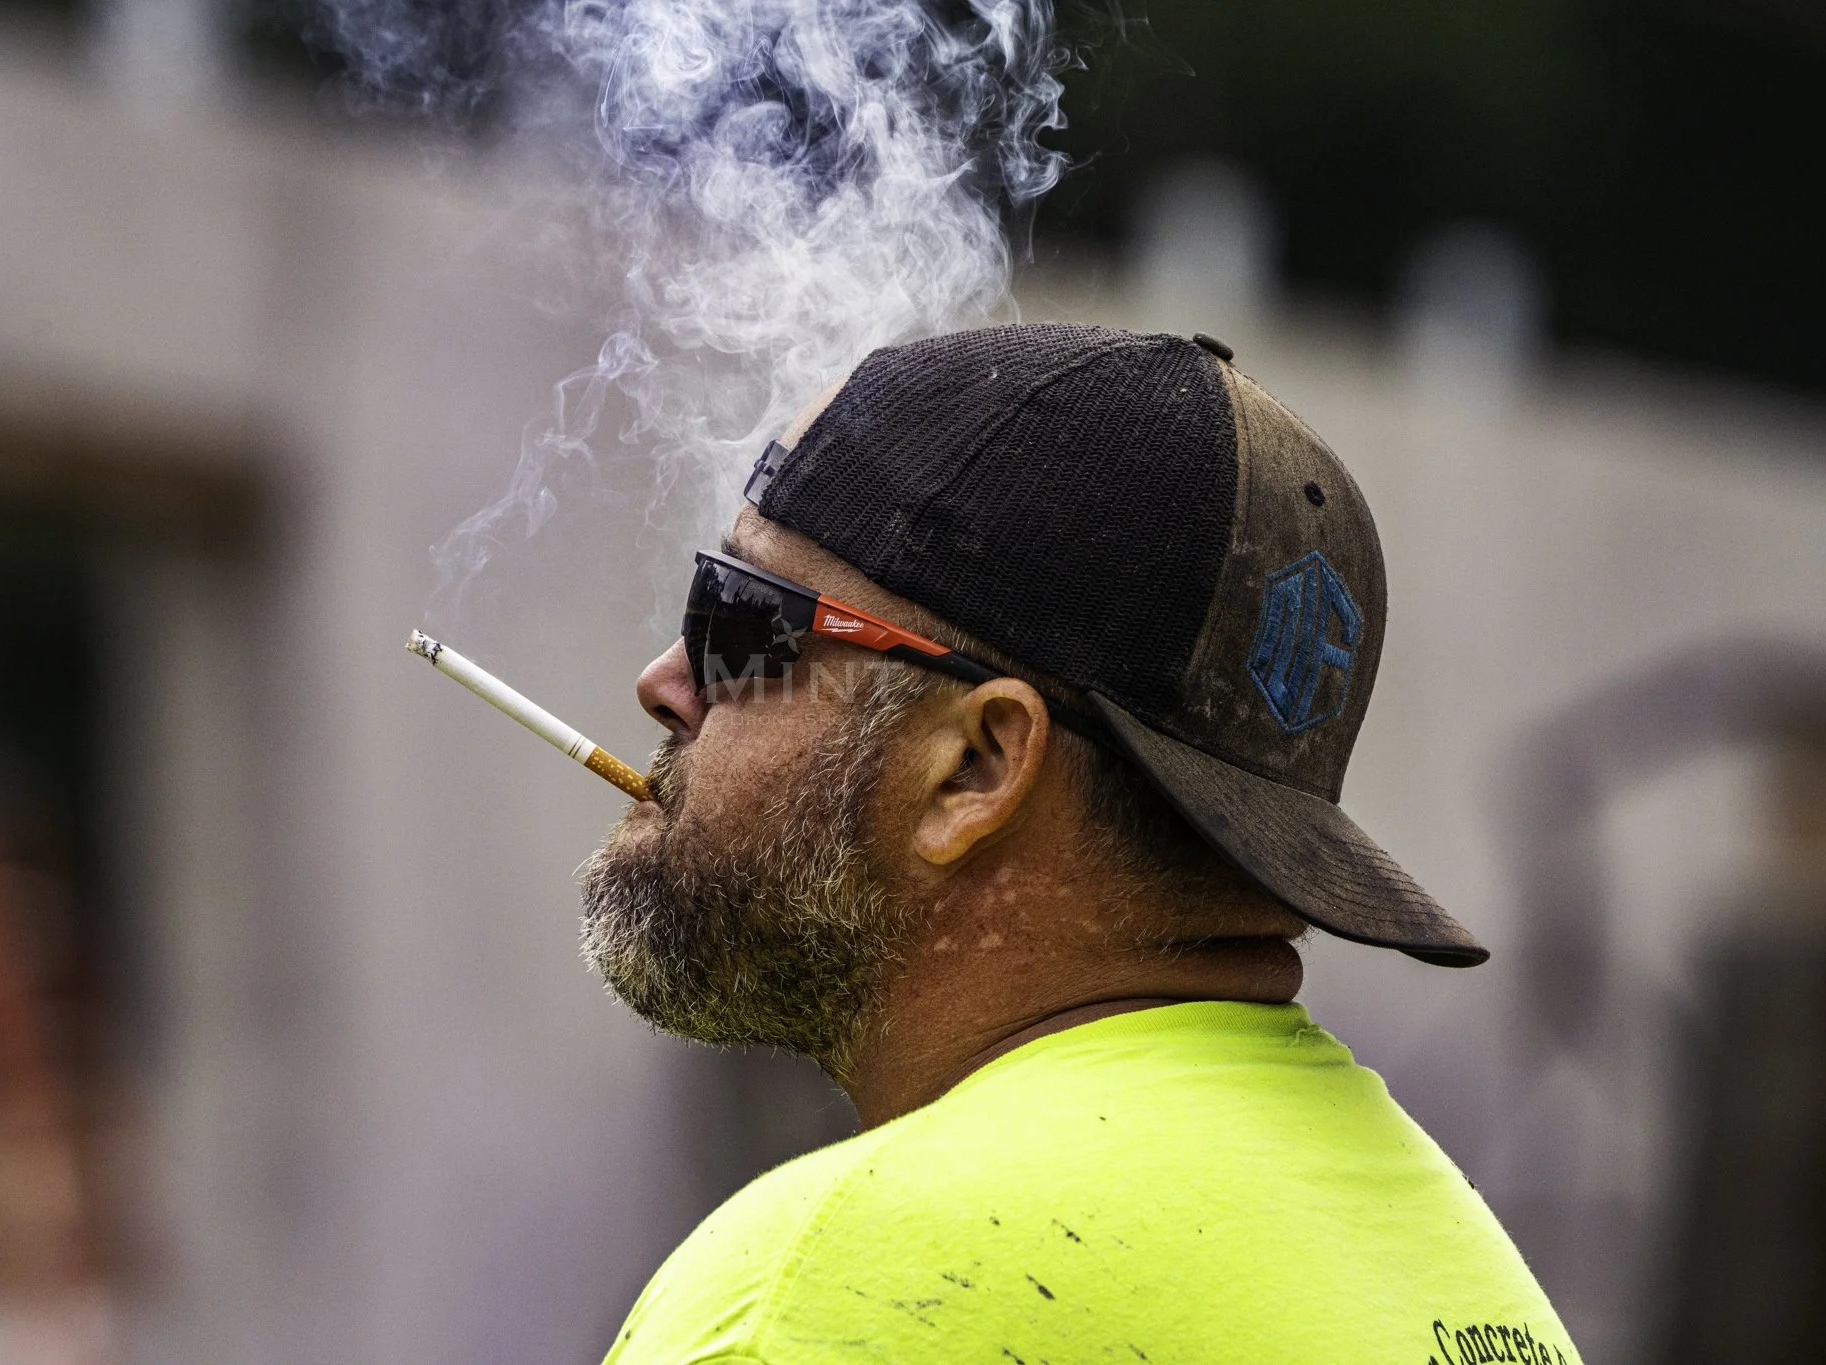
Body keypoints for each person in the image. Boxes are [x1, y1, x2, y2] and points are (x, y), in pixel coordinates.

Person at [583, 325, 1577, 1364]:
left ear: (973, 766)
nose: (664, 681)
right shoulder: (1456, 1267)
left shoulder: (817, 1295)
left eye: (739, 617)